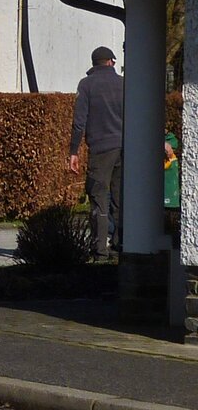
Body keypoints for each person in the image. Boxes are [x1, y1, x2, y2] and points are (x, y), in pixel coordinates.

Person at [68, 45, 124, 258]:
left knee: (98, 197)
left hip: (101, 150)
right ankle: (120, 246)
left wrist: (73, 151)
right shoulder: (124, 84)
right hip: (125, 148)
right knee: (120, 198)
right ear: (111, 62)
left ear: (94, 63)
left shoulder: (87, 85)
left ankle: (100, 250)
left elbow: (79, 121)